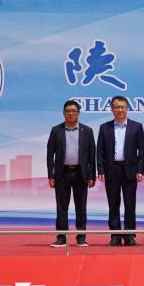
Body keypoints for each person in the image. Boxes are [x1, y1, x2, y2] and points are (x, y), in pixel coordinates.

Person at [96, 95, 144, 246]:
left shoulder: (136, 127)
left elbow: (142, 151)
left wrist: (140, 170)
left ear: (127, 109)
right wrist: (101, 170)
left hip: (130, 170)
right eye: (116, 107)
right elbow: (100, 151)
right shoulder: (104, 127)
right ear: (112, 109)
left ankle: (129, 235)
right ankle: (115, 236)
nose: (120, 110)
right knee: (113, 204)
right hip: (112, 170)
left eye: (122, 107)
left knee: (130, 204)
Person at [46, 100, 96, 247]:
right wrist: (51, 175)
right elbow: (50, 155)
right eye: (68, 111)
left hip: (81, 174)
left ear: (78, 113)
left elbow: (92, 156)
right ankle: (62, 237)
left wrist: (92, 176)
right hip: (62, 174)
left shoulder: (87, 131)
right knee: (62, 207)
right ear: (63, 113)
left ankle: (81, 237)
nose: (71, 113)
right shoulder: (56, 130)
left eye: (74, 111)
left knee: (81, 207)